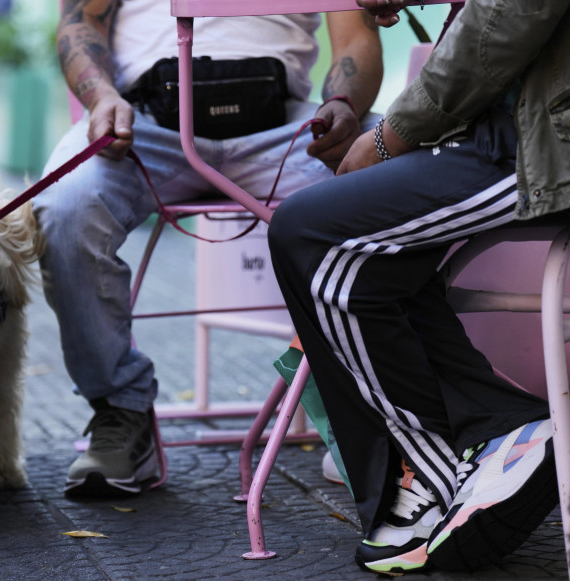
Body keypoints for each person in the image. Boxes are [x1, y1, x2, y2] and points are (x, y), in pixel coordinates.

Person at [34, 0, 383, 498]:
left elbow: (356, 38)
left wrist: (345, 104)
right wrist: (101, 97)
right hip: (144, 126)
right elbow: (78, 21)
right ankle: (120, 412)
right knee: (65, 208)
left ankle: (365, 410)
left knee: (396, 174)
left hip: (288, 130)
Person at [268, 0, 569, 574]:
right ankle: (497, 428)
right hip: (514, 125)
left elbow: (508, 14)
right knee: (348, 248)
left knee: (314, 236)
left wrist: (393, 135)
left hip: (540, 142)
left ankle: (431, 470)